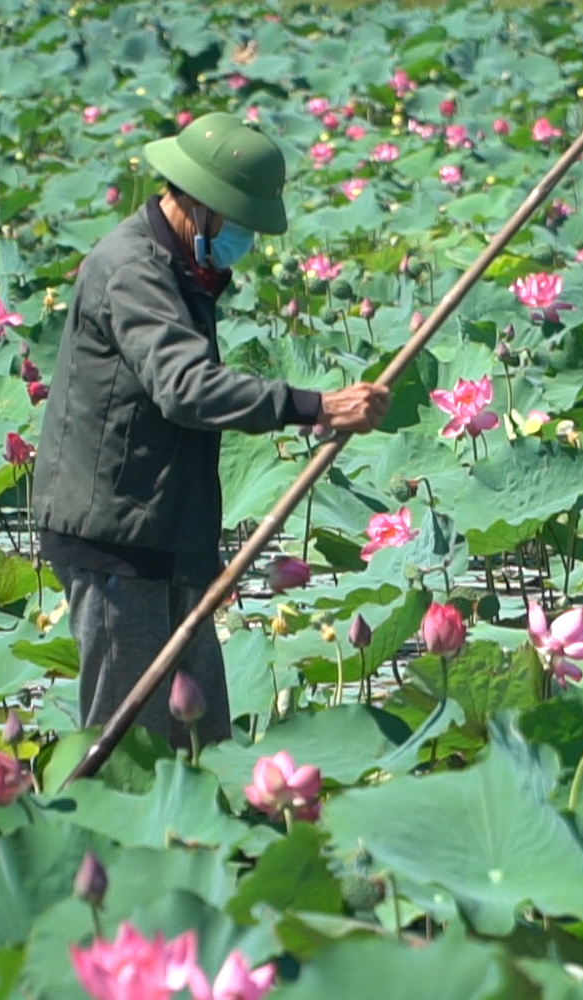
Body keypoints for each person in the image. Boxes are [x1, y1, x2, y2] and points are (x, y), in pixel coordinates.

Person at [33, 112, 389, 749]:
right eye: (241, 224)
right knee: (128, 753)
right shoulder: (133, 271)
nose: (244, 241)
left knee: (203, 740)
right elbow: (185, 387)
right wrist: (314, 407)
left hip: (166, 534)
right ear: (199, 206)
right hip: (117, 542)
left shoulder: (181, 268)